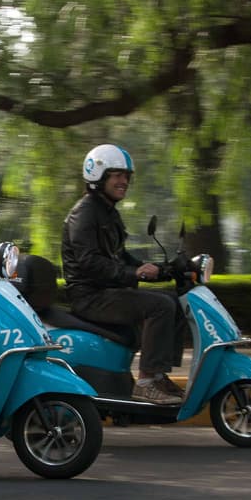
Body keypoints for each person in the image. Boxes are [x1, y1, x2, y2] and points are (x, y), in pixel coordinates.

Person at [61, 143, 185, 405]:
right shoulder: (83, 214)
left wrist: (158, 270)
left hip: (107, 292)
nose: (124, 182)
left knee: (175, 300)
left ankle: (158, 375)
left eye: (127, 176)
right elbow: (89, 262)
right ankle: (145, 383)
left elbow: (120, 257)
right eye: (117, 175)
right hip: (90, 297)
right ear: (98, 176)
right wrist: (133, 273)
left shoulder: (108, 212)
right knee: (160, 306)